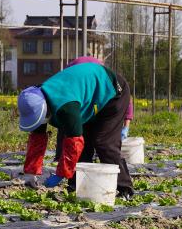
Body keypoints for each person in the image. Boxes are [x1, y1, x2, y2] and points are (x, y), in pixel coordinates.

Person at [18, 59, 134, 196]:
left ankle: (124, 188)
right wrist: (31, 173)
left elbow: (74, 143)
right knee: (83, 145)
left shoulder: (66, 108)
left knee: (104, 143)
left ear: (45, 109)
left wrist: (62, 173)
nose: (40, 123)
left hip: (112, 92)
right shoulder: (37, 100)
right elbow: (37, 139)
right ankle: (77, 186)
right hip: (87, 97)